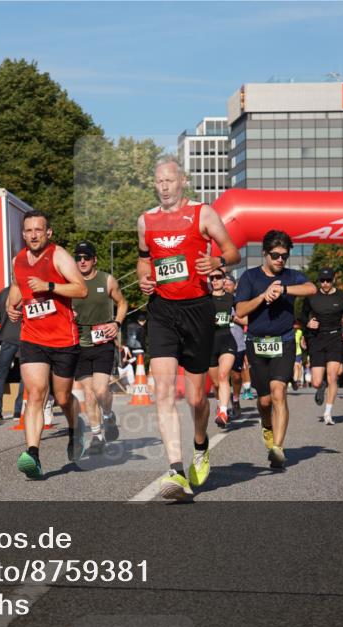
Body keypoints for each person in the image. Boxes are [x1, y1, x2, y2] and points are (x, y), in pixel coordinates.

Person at [137, 156, 241, 500]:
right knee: (163, 391)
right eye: (159, 182)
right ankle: (175, 470)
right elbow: (143, 258)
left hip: (198, 309)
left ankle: (200, 443)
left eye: (169, 180)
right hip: (162, 311)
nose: (164, 187)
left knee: (197, 398)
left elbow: (232, 251)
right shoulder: (146, 221)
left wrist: (217, 261)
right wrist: (144, 279)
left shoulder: (203, 213)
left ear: (182, 181)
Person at [7, 210, 88, 479]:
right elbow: (18, 287)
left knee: (63, 397)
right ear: (23, 234)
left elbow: (81, 289)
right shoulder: (18, 260)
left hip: (64, 339)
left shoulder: (59, 256)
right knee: (36, 394)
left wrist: (49, 285)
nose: (33, 235)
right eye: (28, 231)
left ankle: (77, 428)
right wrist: (11, 306)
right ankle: (33, 454)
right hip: (32, 337)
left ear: (48, 233)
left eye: (38, 230)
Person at [235, 230, 316, 469]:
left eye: (284, 255)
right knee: (265, 401)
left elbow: (311, 288)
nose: (280, 260)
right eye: (275, 255)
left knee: (279, 391)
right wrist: (263, 296)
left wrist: (284, 290)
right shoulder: (250, 278)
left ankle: (278, 449)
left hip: (285, 341)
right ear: (265, 254)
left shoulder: (291, 277)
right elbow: (239, 311)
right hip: (257, 343)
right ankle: (267, 426)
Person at [71, 241, 128, 452]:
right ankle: (96, 435)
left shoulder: (107, 280)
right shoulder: (70, 284)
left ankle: (108, 415)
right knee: (88, 392)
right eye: (78, 258)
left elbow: (122, 303)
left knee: (101, 389)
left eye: (86, 257)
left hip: (103, 342)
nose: (82, 261)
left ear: (94, 259)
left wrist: (117, 323)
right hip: (79, 343)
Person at [303, 267, 343, 426]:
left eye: (328, 280)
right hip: (317, 338)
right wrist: (307, 323)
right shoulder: (311, 297)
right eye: (322, 281)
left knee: (333, 376)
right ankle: (321, 386)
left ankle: (328, 413)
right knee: (317, 382)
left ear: (333, 279)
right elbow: (302, 316)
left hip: (334, 338)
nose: (325, 283)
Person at [208, 270, 238, 429]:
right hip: (210, 344)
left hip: (227, 339)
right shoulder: (205, 299)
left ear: (223, 279)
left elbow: (244, 315)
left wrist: (235, 318)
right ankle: (221, 403)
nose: (214, 280)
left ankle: (224, 412)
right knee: (216, 383)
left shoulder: (231, 298)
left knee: (223, 375)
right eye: (212, 278)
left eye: (218, 277)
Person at [0, 285, 24, 420]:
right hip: (25, 338)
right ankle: (18, 411)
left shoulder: (3, 292)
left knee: (1, 375)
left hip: (7, 337)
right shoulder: (28, 291)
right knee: (25, 377)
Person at [224, 274, 246, 418]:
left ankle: (236, 399)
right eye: (223, 282)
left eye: (228, 283)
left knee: (236, 377)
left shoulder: (240, 302)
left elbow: (247, 321)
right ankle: (223, 405)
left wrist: (232, 318)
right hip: (219, 344)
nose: (225, 285)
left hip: (237, 343)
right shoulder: (214, 301)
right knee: (221, 377)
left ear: (235, 286)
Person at [292, 321, 305, 390]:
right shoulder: (289, 332)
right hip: (290, 352)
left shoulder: (300, 332)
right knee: (295, 367)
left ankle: (295, 381)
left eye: (297, 326)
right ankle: (295, 380)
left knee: (297, 366)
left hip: (298, 352)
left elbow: (302, 342)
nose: (295, 327)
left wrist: (304, 346)